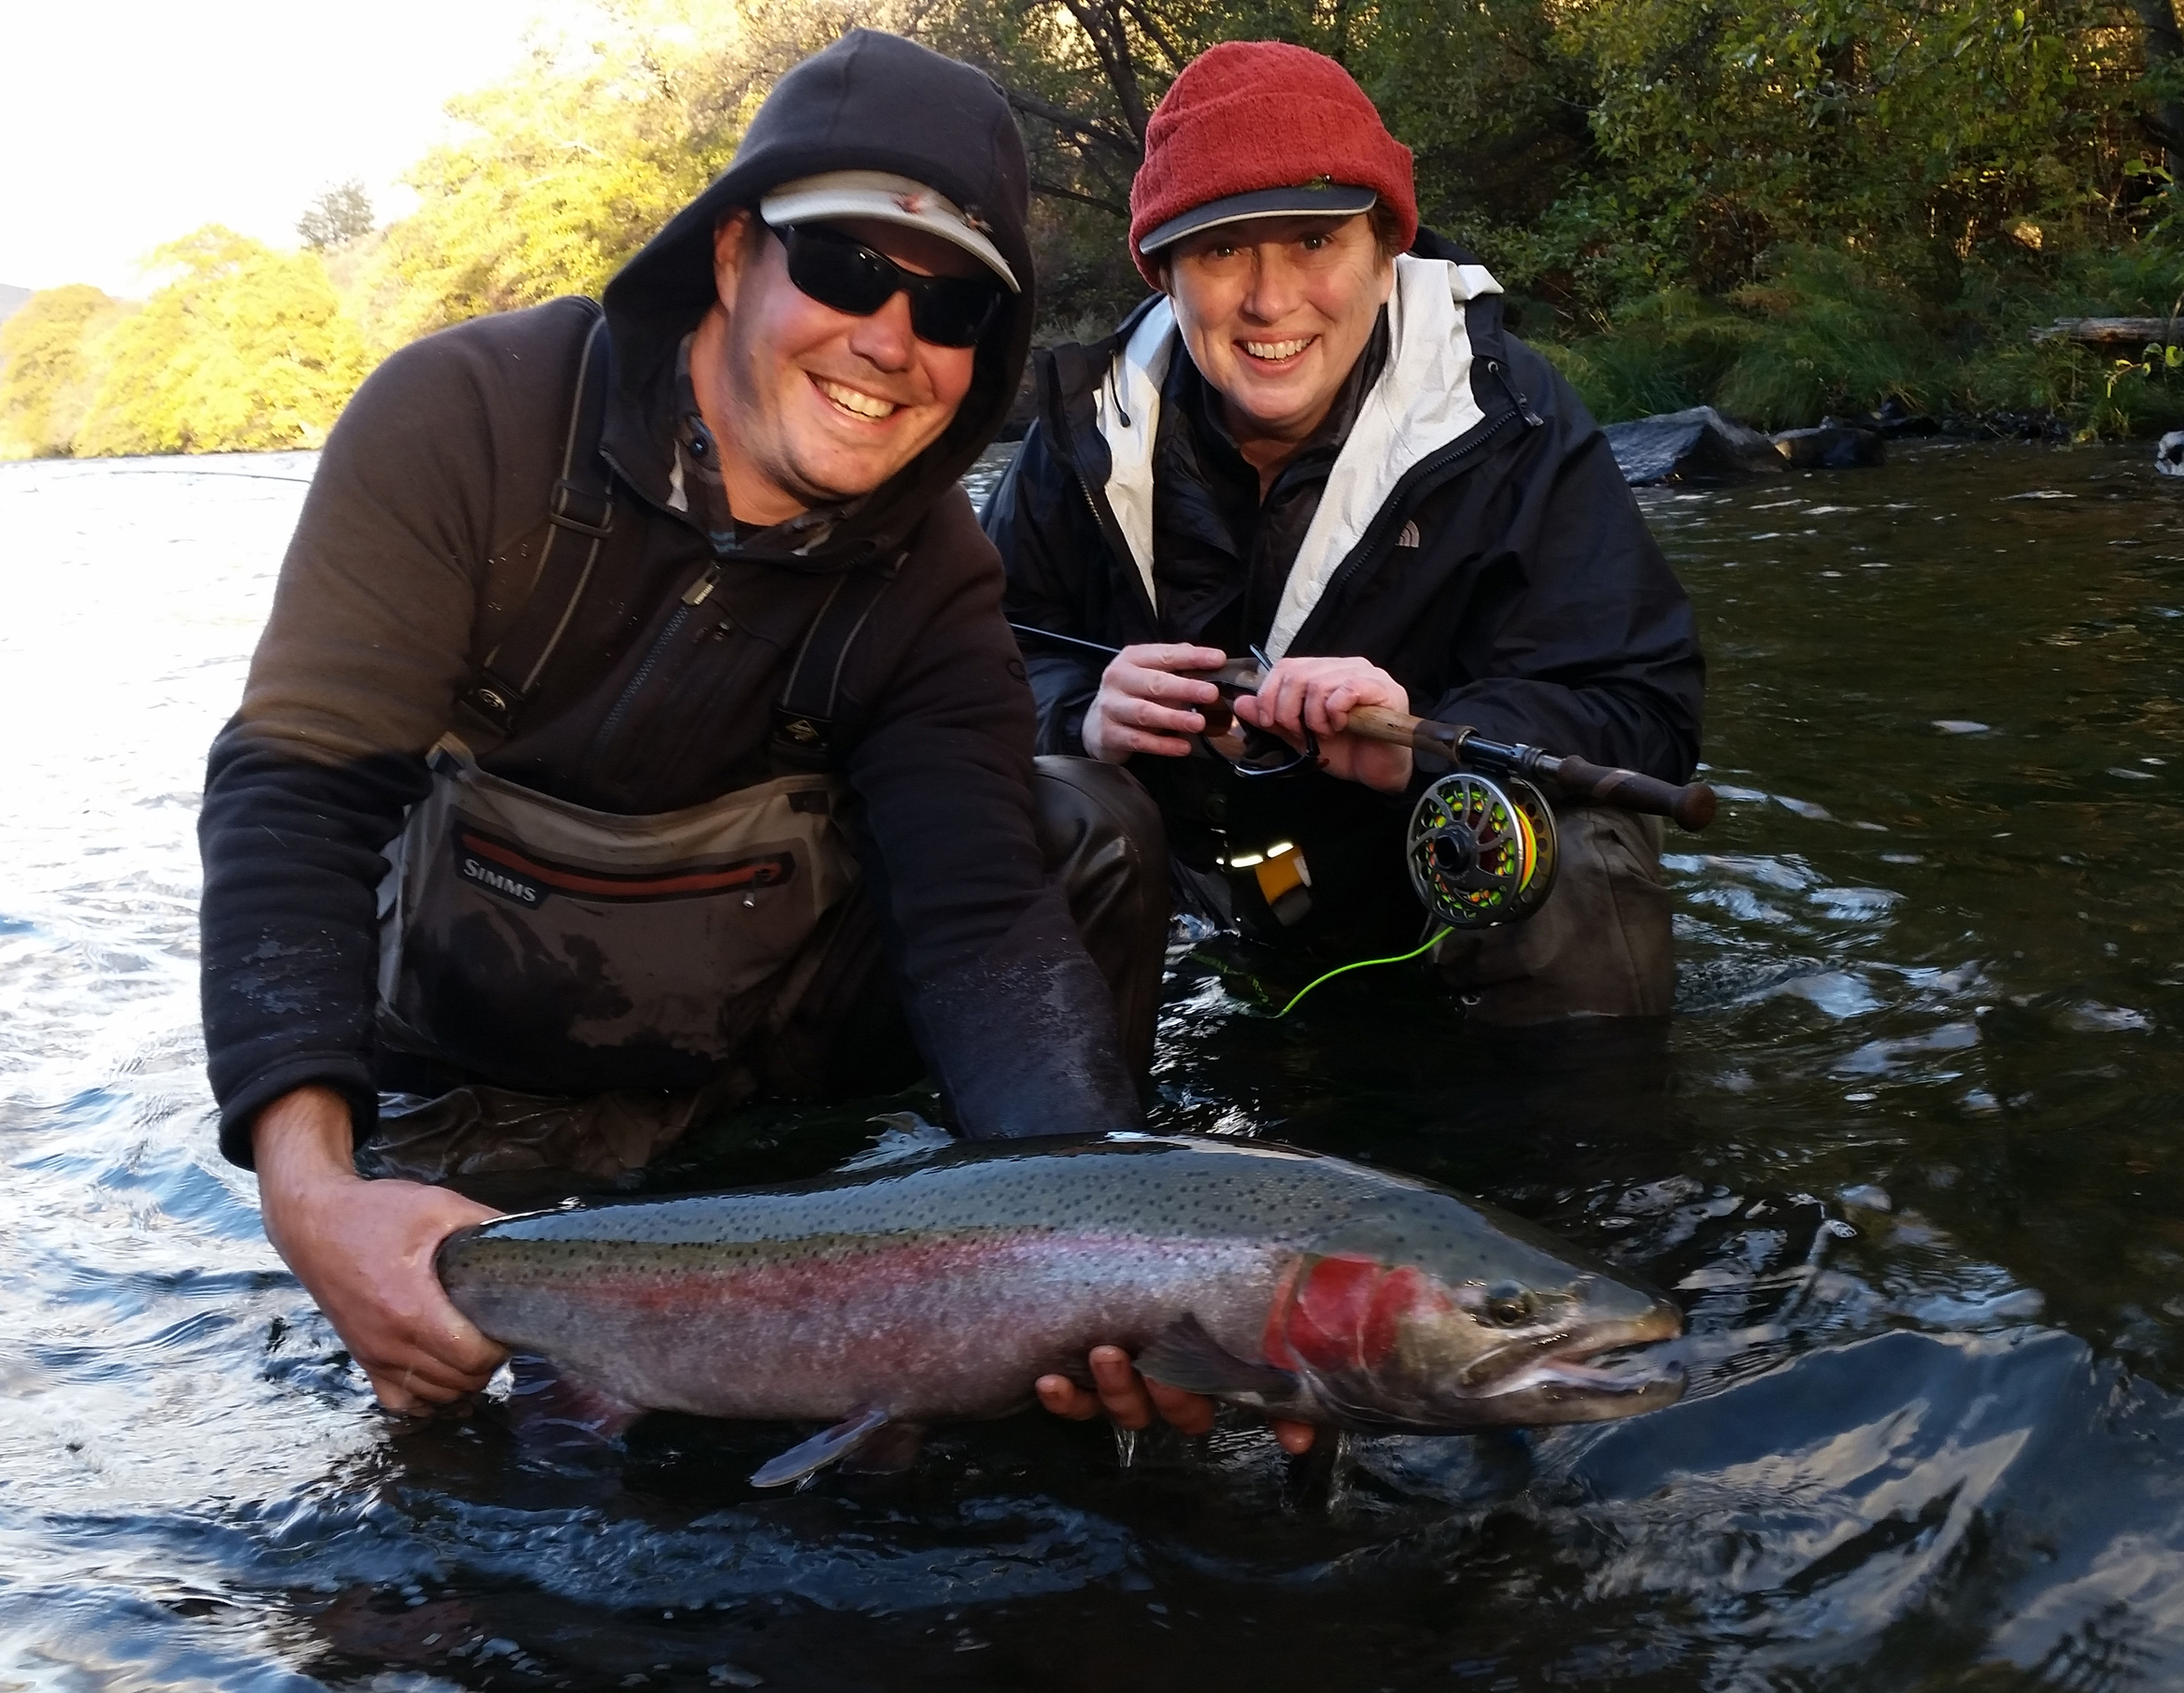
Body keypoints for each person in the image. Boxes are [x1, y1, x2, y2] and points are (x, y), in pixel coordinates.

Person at [198, 30, 1263, 1449]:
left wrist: (1107, 1254)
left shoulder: (940, 576)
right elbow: (295, 798)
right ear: (728, 257)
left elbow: (982, 925)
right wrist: (312, 1188)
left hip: (755, 1047)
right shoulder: (467, 419)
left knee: (1087, 830)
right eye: (845, 268)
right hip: (476, 1050)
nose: (890, 338)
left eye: (951, 310)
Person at [985, 41, 1705, 1021]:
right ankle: (1072, 1146)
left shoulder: (1510, 421)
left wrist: (1431, 743)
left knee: (1580, 849)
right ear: (1163, 273)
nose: (1269, 301)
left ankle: (1580, 1160)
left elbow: (1645, 711)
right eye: (1221, 248)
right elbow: (971, 665)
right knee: (1045, 803)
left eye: (1313, 241)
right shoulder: (1081, 431)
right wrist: (1080, 716)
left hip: (1421, 880)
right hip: (1193, 893)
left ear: (1384, 251)